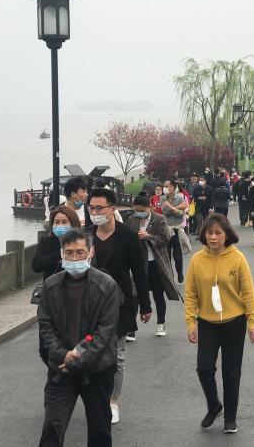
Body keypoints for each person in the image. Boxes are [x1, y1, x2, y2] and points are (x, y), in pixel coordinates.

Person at [37, 229, 120, 447]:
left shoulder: (107, 285)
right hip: (60, 370)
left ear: (91, 252)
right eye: (69, 253)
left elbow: (103, 332)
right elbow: (46, 327)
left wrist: (77, 357)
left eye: (80, 252)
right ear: (61, 253)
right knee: (52, 427)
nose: (74, 258)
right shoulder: (50, 286)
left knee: (100, 431)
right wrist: (62, 354)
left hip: (97, 371)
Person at [185, 214, 254, 434]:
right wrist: (191, 323)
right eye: (209, 233)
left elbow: (248, 292)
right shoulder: (197, 260)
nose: (213, 237)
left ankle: (230, 418)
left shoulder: (238, 258)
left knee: (231, 372)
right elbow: (190, 293)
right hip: (207, 322)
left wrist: (252, 323)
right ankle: (214, 405)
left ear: (226, 235)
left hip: (235, 322)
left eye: (218, 233)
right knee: (204, 368)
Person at [87, 188, 152, 424]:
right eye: (91, 208)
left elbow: (140, 273)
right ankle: (96, 397)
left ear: (111, 209)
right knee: (91, 352)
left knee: (117, 354)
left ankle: (113, 401)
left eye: (99, 208)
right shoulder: (86, 236)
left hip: (121, 302)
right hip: (90, 305)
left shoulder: (128, 237)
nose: (95, 212)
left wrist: (145, 306)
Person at [126, 195, 178, 337]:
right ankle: (131, 329)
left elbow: (165, 239)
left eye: (141, 211)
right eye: (136, 211)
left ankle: (161, 323)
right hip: (138, 263)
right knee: (135, 296)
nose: (139, 213)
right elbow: (127, 239)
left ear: (149, 207)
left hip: (156, 262)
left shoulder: (159, 219)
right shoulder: (131, 220)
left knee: (158, 294)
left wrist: (148, 236)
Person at [33, 206, 82, 280]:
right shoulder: (46, 241)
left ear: (73, 224)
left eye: (64, 222)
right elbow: (36, 266)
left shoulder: (82, 243)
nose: (60, 225)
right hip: (51, 285)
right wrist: (60, 254)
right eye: (56, 222)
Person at [161, 178, 190, 284]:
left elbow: (181, 214)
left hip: (177, 229)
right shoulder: (162, 198)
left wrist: (171, 207)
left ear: (173, 187)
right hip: (166, 229)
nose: (164, 188)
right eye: (164, 186)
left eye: (167, 186)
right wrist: (176, 208)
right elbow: (166, 213)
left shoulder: (180, 198)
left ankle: (180, 272)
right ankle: (170, 274)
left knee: (177, 256)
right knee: (167, 255)